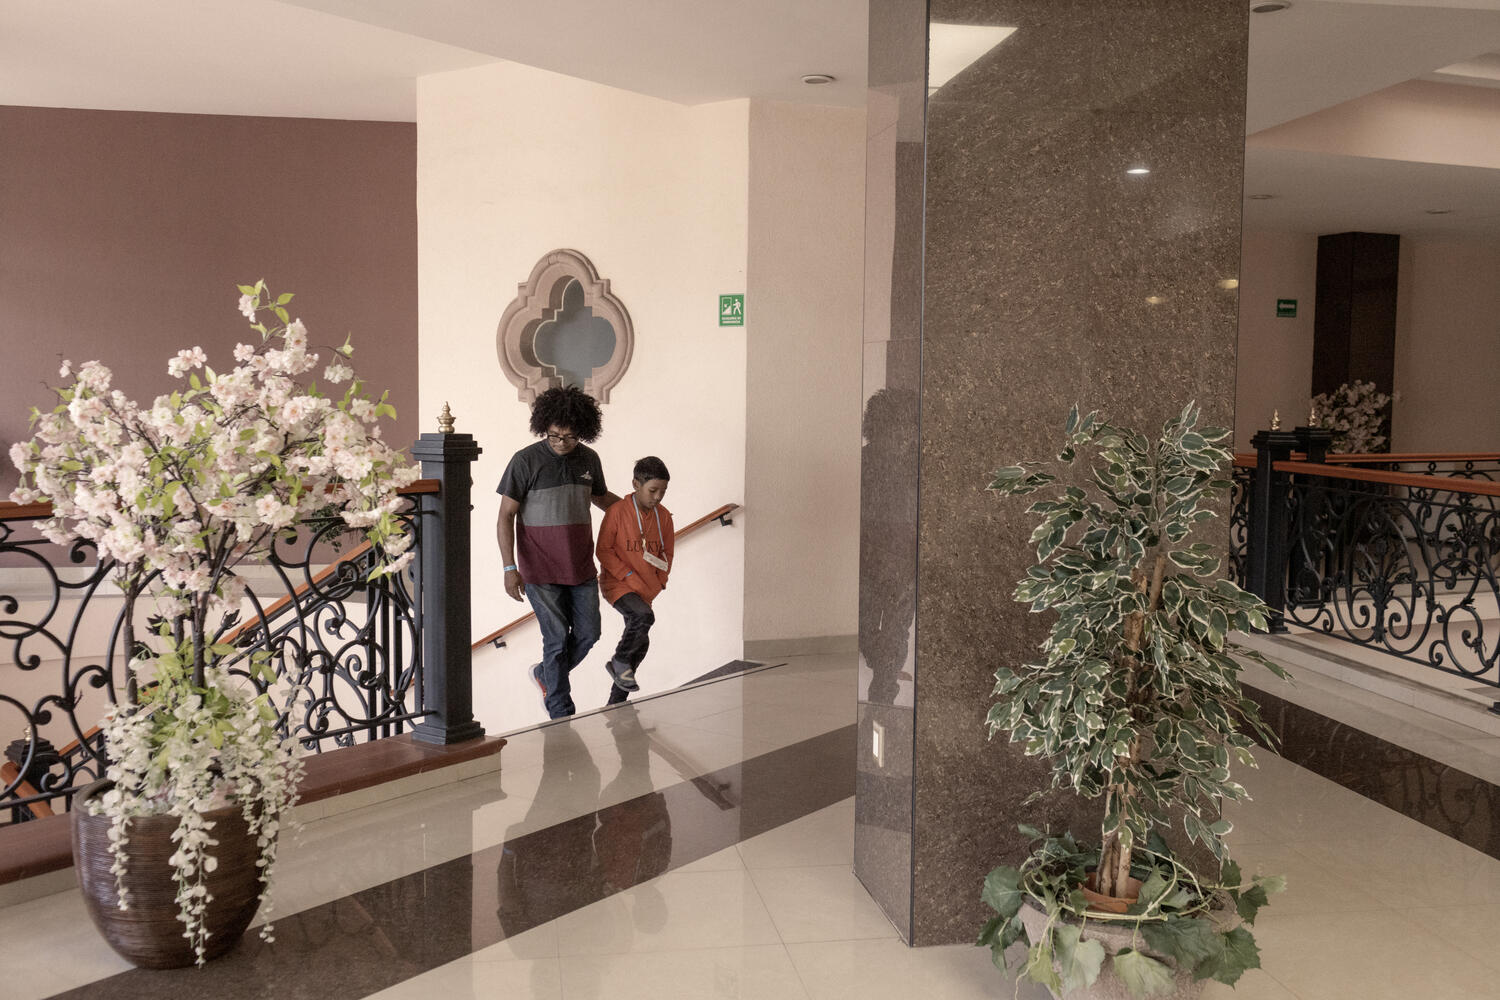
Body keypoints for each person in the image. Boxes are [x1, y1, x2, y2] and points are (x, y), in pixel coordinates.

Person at [497, 386, 621, 719]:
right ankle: (560, 712)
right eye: (553, 436)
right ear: (543, 428)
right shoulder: (525, 461)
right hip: (539, 567)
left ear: (582, 431)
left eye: (568, 437)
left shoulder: (589, 459)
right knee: (555, 640)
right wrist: (510, 568)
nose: (560, 443)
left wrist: (635, 510)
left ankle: (544, 675)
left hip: (580, 564)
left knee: (589, 633)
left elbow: (600, 497)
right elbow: (505, 515)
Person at [595, 456, 674, 705]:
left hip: (645, 589)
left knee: (641, 642)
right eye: (653, 490)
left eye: (663, 491)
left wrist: (659, 581)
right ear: (635, 484)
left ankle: (616, 701)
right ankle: (618, 661)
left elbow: (667, 553)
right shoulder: (617, 512)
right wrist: (628, 576)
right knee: (642, 618)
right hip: (618, 584)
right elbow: (603, 551)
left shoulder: (664, 517)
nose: (658, 497)